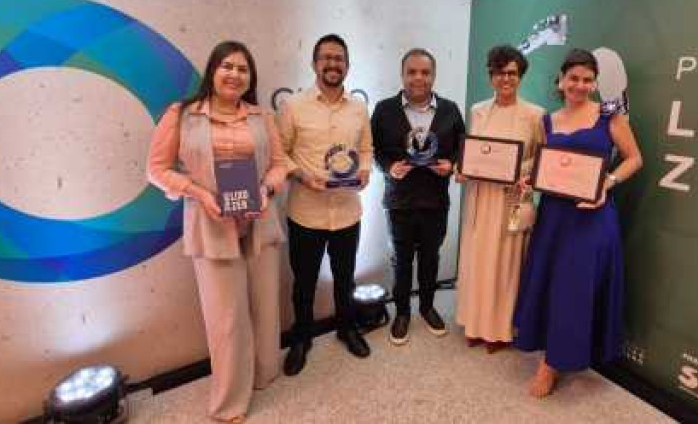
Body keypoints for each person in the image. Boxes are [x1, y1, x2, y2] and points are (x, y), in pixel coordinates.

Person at [146, 41, 287, 423]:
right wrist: (198, 193)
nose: (235, 74)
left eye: (243, 69)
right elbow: (156, 169)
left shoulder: (262, 117)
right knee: (226, 318)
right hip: (211, 224)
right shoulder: (182, 115)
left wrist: (266, 189)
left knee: (265, 305)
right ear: (212, 70)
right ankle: (230, 402)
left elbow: (280, 164)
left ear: (251, 78)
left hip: (259, 221)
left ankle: (263, 375)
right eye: (227, 66)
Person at [512, 48, 643, 398]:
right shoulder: (548, 121)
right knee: (552, 285)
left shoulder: (609, 115)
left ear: (595, 83)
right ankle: (551, 355)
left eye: (588, 80)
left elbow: (634, 159)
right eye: (574, 78)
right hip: (554, 216)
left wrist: (607, 183)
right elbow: (549, 165)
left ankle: (552, 363)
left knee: (575, 287)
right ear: (561, 80)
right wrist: (530, 180)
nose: (580, 85)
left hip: (592, 216)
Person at [278, 34, 374, 376]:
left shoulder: (359, 108)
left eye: (339, 58)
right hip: (306, 213)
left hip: (347, 212)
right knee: (303, 282)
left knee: (345, 278)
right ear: (314, 63)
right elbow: (280, 154)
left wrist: (365, 171)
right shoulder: (293, 106)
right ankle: (301, 338)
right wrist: (301, 175)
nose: (333, 64)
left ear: (347, 65)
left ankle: (347, 329)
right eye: (326, 58)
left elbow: (366, 150)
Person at [371, 48, 466, 346]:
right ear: (402, 75)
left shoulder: (450, 110)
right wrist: (388, 167)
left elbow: (461, 148)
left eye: (425, 72)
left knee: (430, 258)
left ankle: (427, 307)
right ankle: (402, 313)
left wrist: (452, 165)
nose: (418, 78)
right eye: (412, 72)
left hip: (435, 200)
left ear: (433, 76)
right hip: (399, 200)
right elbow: (374, 150)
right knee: (401, 261)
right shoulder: (384, 110)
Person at [455, 45, 545, 353]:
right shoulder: (478, 110)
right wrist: (462, 169)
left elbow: (542, 158)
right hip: (480, 196)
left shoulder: (535, 115)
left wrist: (519, 170)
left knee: (505, 263)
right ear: (490, 76)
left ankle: (499, 329)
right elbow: (474, 153)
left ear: (520, 76)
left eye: (511, 73)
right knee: (478, 259)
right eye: (499, 73)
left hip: (512, 198)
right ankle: (475, 324)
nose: (505, 79)